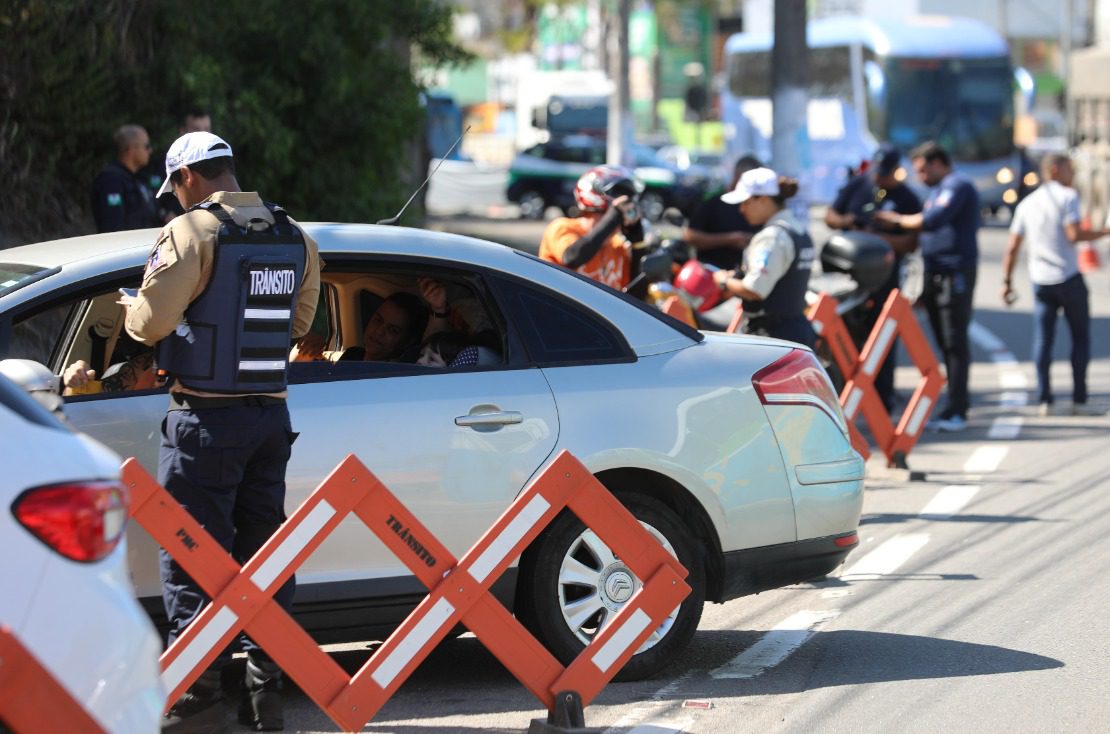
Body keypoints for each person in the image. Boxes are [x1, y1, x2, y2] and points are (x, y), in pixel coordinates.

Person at [121, 131, 322, 732]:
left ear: (186, 178)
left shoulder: (191, 232)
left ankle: (198, 700)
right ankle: (267, 700)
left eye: (174, 189)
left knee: (191, 561)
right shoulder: (296, 236)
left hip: (205, 423)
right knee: (265, 560)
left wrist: (133, 308)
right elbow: (299, 325)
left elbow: (150, 322)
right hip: (269, 420)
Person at [874, 141, 980, 433]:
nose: (920, 177)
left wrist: (896, 220)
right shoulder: (937, 190)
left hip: (953, 274)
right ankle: (951, 406)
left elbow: (933, 221)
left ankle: (958, 408)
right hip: (935, 274)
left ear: (937, 163)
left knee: (954, 342)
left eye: (922, 170)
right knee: (944, 343)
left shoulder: (957, 186)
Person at [1002, 153, 1108, 416]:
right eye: (1070, 169)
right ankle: (1079, 400)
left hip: (1041, 281)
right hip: (1069, 277)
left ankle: (1045, 399)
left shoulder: (1027, 203)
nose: (1073, 175)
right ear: (1055, 169)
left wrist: (1007, 281)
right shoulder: (1067, 196)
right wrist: (1105, 232)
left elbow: (1013, 247)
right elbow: (1074, 234)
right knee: (1080, 339)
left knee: (1043, 341)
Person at [825, 145, 923, 413]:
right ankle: (844, 398)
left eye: (884, 174)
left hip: (884, 280)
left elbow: (911, 242)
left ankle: (882, 400)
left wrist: (877, 238)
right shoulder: (859, 184)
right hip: (846, 279)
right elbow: (830, 215)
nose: (877, 179)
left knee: (882, 339)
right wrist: (849, 222)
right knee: (842, 337)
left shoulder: (906, 199)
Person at [712, 167, 816, 347]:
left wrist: (723, 281)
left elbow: (755, 290)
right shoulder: (798, 231)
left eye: (745, 202)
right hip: (795, 331)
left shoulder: (772, 237)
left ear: (764, 199)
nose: (741, 209)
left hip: (772, 337)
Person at [539, 165, 646, 291]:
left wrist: (638, 245)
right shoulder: (561, 227)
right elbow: (572, 257)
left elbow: (636, 294)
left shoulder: (616, 246)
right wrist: (612, 218)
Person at [683, 155, 764, 270]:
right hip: (710, 273)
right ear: (738, 176)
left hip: (743, 277)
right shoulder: (713, 202)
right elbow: (690, 236)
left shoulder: (760, 206)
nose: (743, 209)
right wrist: (729, 239)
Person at [146, 108, 214, 221]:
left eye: (207, 129)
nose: (203, 134)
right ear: (183, 131)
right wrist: (165, 214)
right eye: (196, 129)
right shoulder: (168, 162)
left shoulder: (218, 162)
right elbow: (151, 199)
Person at [90, 124, 161, 233]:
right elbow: (113, 226)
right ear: (131, 149)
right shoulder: (111, 181)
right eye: (146, 146)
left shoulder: (136, 178)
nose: (150, 151)